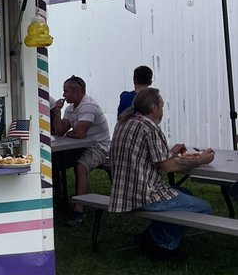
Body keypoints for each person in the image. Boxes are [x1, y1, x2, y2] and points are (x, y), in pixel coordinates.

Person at [109, 87, 214, 259]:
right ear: (153, 107)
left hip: (123, 193)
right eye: (162, 106)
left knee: (185, 192)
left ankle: (150, 236)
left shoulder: (124, 123)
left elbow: (150, 157)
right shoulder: (149, 127)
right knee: (204, 208)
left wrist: (171, 152)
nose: (163, 110)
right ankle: (164, 245)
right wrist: (200, 160)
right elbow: (169, 167)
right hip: (143, 194)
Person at [51, 75, 111, 225]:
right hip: (81, 146)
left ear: (76, 91)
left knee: (80, 166)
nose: (63, 95)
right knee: (53, 161)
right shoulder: (71, 109)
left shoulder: (88, 105)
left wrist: (72, 132)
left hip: (99, 147)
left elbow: (79, 133)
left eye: (66, 91)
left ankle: (79, 211)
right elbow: (59, 132)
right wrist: (57, 112)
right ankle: (60, 199)